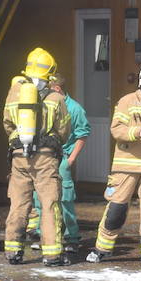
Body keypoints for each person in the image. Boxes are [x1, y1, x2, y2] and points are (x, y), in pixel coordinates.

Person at [86, 60, 141, 268]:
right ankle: (102, 249)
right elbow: (116, 129)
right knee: (116, 210)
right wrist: (136, 133)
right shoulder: (127, 102)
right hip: (126, 167)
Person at [2, 48, 72, 265]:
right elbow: (64, 130)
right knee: (49, 204)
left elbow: (6, 123)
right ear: (50, 73)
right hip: (45, 157)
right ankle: (52, 254)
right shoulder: (55, 98)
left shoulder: (14, 93)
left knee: (19, 204)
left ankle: (13, 251)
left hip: (19, 157)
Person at [26, 77, 91, 254]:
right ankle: (45, 236)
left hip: (61, 158)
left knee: (65, 200)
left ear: (56, 88)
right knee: (41, 198)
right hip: (44, 157)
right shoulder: (44, 103)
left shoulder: (75, 109)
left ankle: (71, 237)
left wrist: (70, 160)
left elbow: (82, 135)